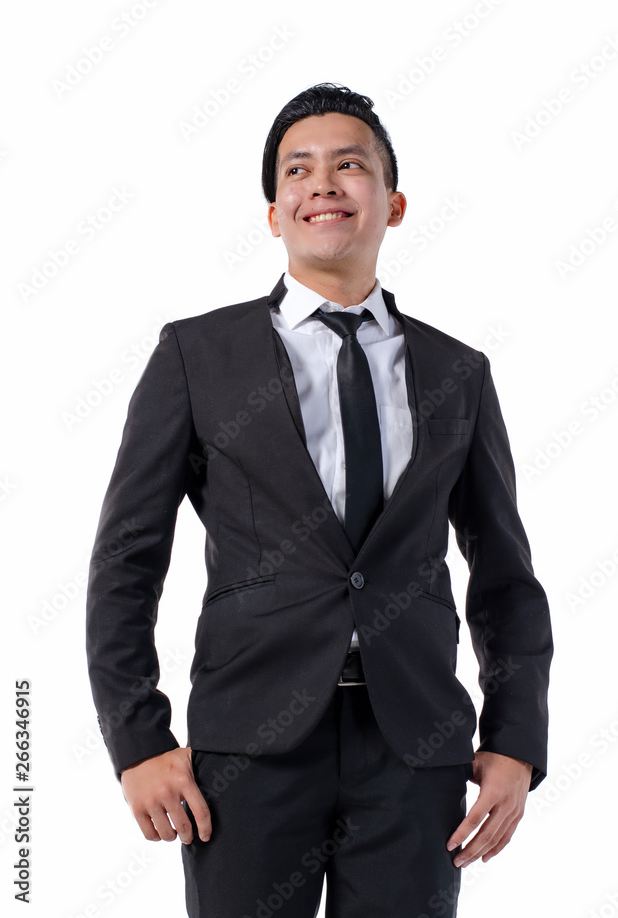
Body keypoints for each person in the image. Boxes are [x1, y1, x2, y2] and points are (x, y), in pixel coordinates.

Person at [86, 82, 553, 918]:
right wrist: (137, 741)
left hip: (414, 750)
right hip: (247, 750)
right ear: (275, 212)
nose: (323, 183)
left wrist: (515, 741)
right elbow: (126, 562)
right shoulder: (198, 356)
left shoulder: (459, 373)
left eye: (350, 165)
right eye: (298, 170)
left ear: (393, 202)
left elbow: (506, 580)